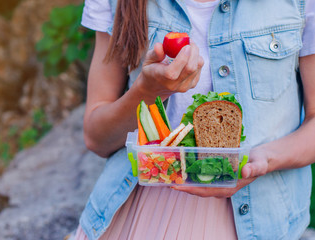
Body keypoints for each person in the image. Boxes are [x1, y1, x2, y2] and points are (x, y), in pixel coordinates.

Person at [67, 0, 315, 239]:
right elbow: (96, 137)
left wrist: (265, 160)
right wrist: (148, 91)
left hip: (257, 219)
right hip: (135, 213)